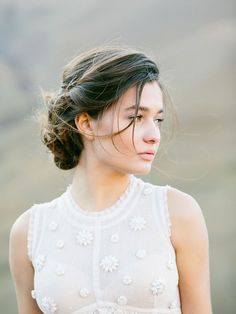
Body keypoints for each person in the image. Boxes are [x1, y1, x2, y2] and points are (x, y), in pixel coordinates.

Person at [9, 45, 212, 314]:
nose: (154, 135)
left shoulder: (177, 213)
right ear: (86, 124)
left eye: (157, 119)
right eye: (137, 117)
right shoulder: (29, 232)